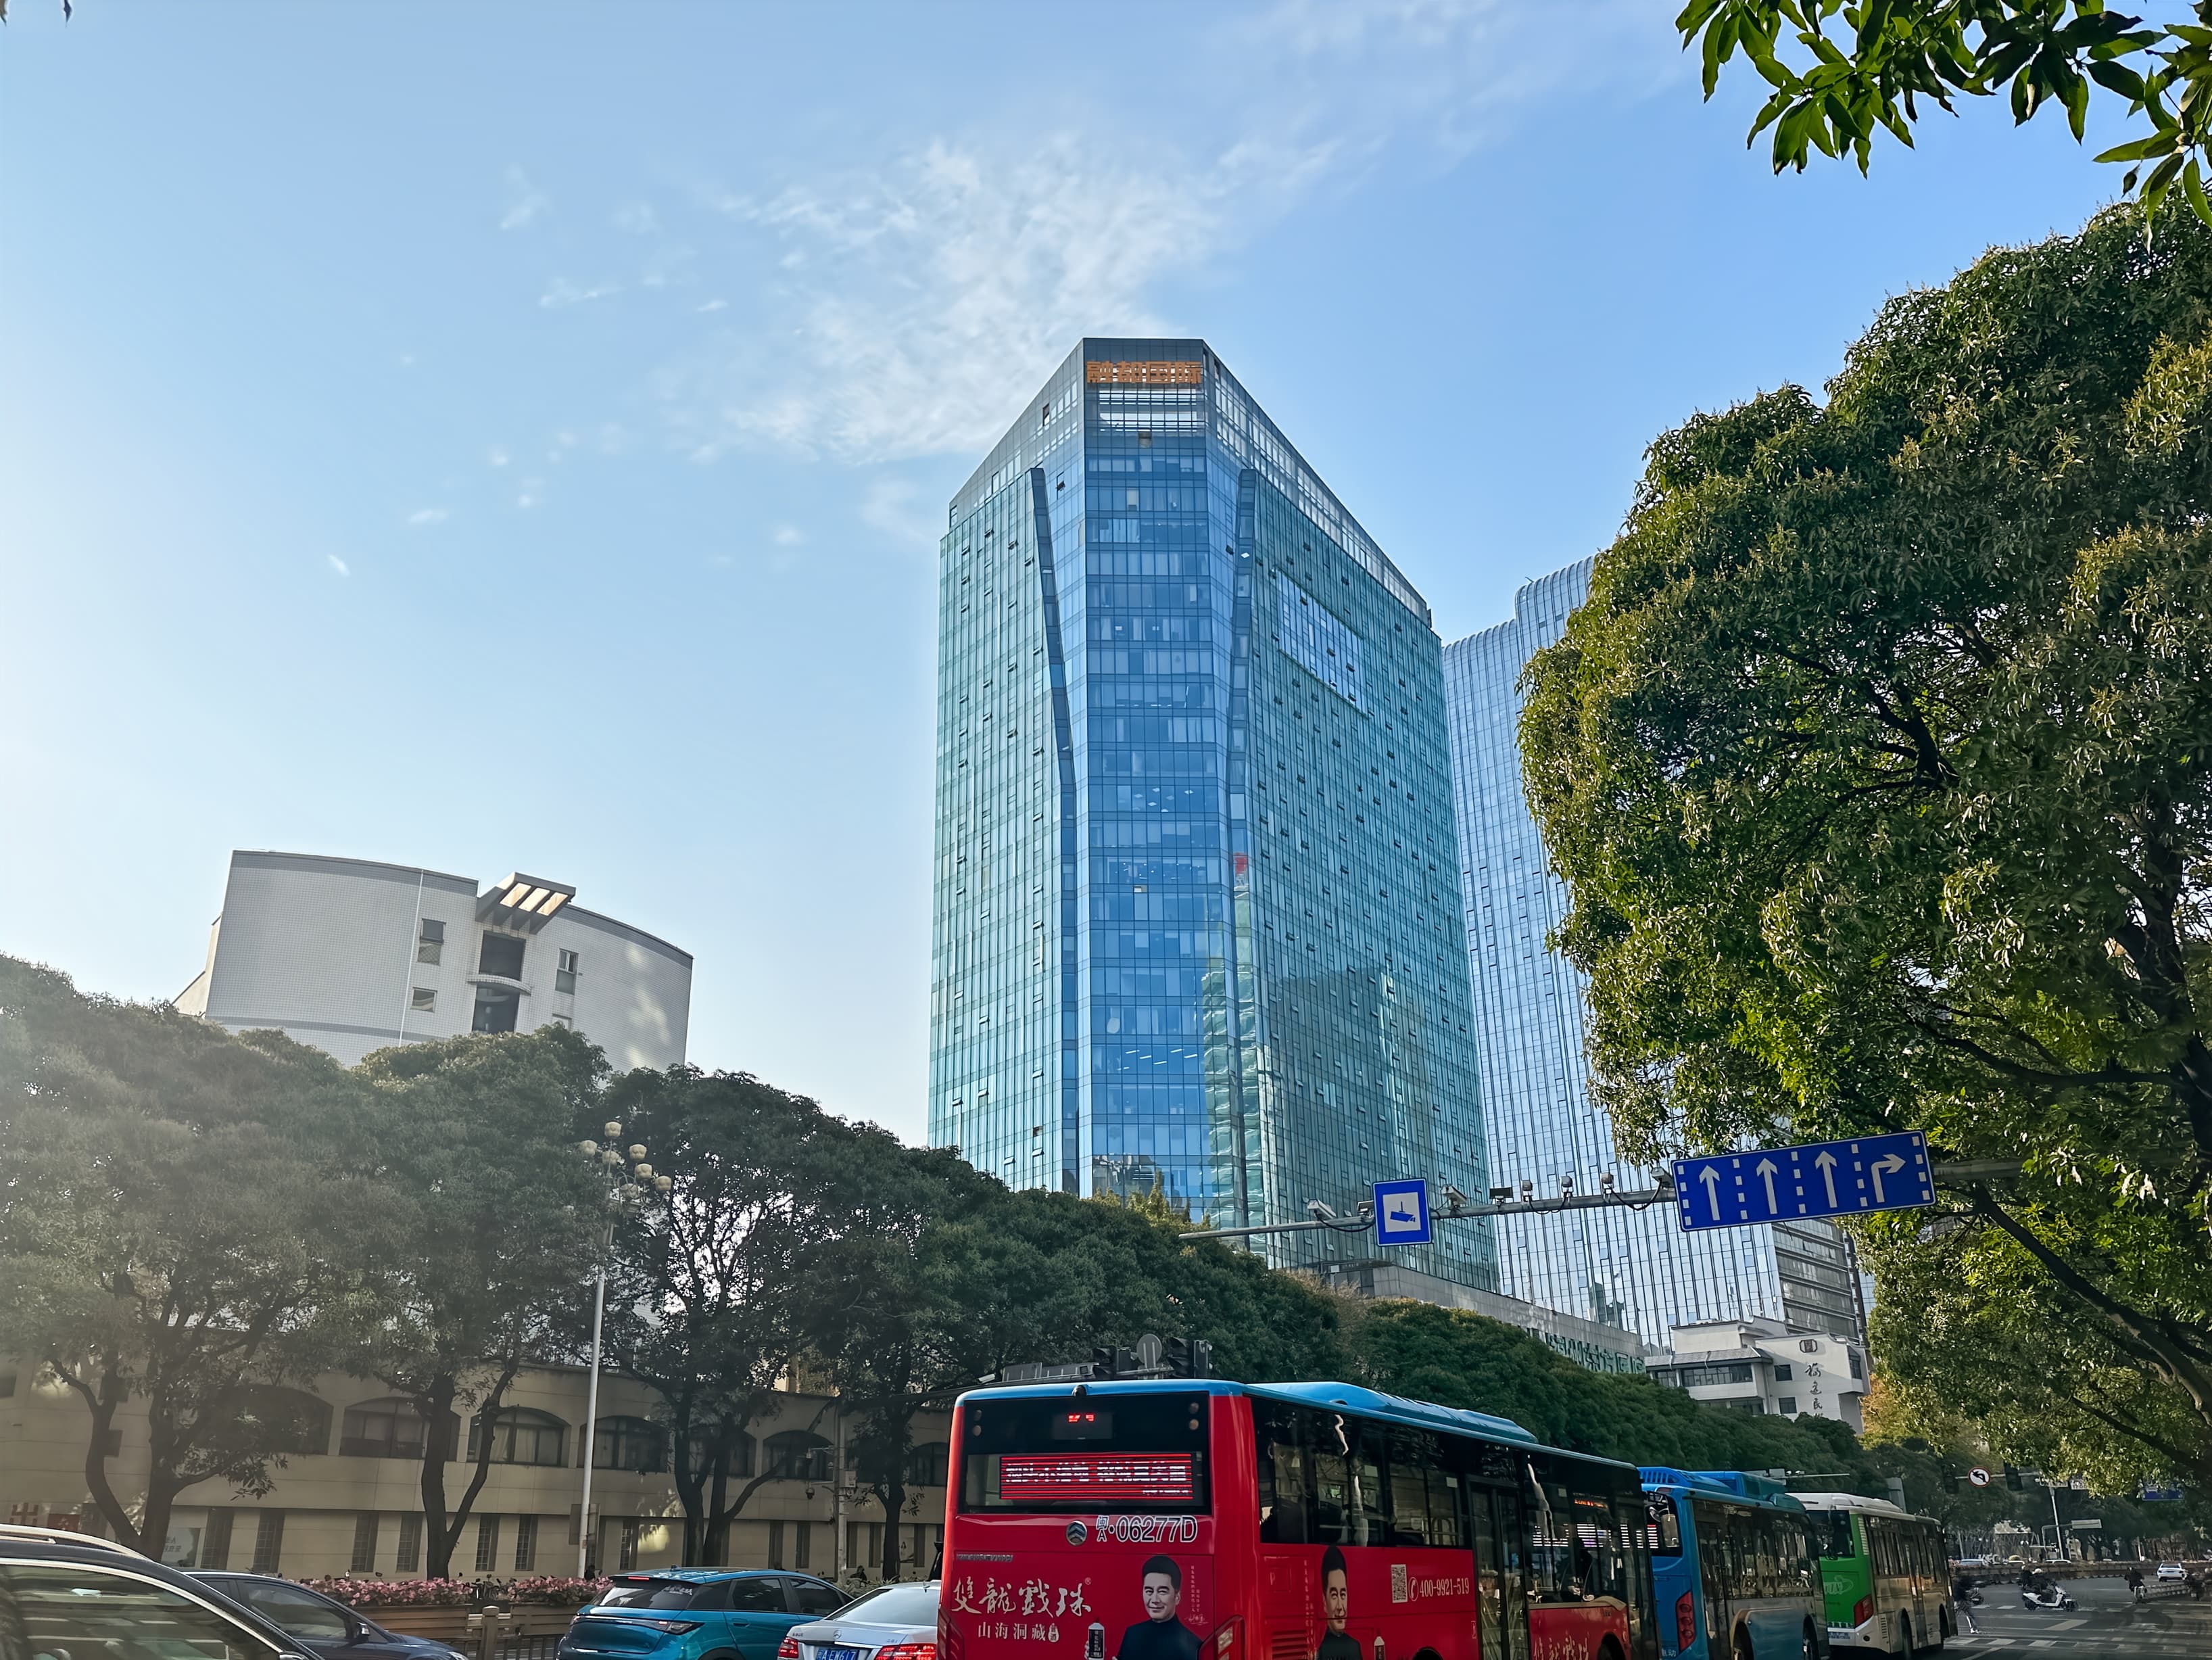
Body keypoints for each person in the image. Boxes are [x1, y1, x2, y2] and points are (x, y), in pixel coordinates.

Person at [1115, 1556, 1201, 1660]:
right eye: (1149, 1591)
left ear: (1177, 1597)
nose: (1155, 1599)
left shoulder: (1193, 1646)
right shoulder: (1132, 1634)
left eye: (1162, 1591)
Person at [1314, 1546, 1361, 1660]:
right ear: (1325, 1602)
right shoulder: (1320, 1651)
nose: (1340, 1607)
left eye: (1343, 1595)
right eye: (1334, 1596)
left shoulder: (1355, 1646)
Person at [1950, 1570, 1979, 1635]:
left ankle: (1952, 1629)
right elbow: (1964, 1595)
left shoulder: (1954, 1587)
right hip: (1963, 1602)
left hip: (1956, 1602)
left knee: (1954, 1615)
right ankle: (1973, 1629)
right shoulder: (1959, 1587)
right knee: (1970, 1615)